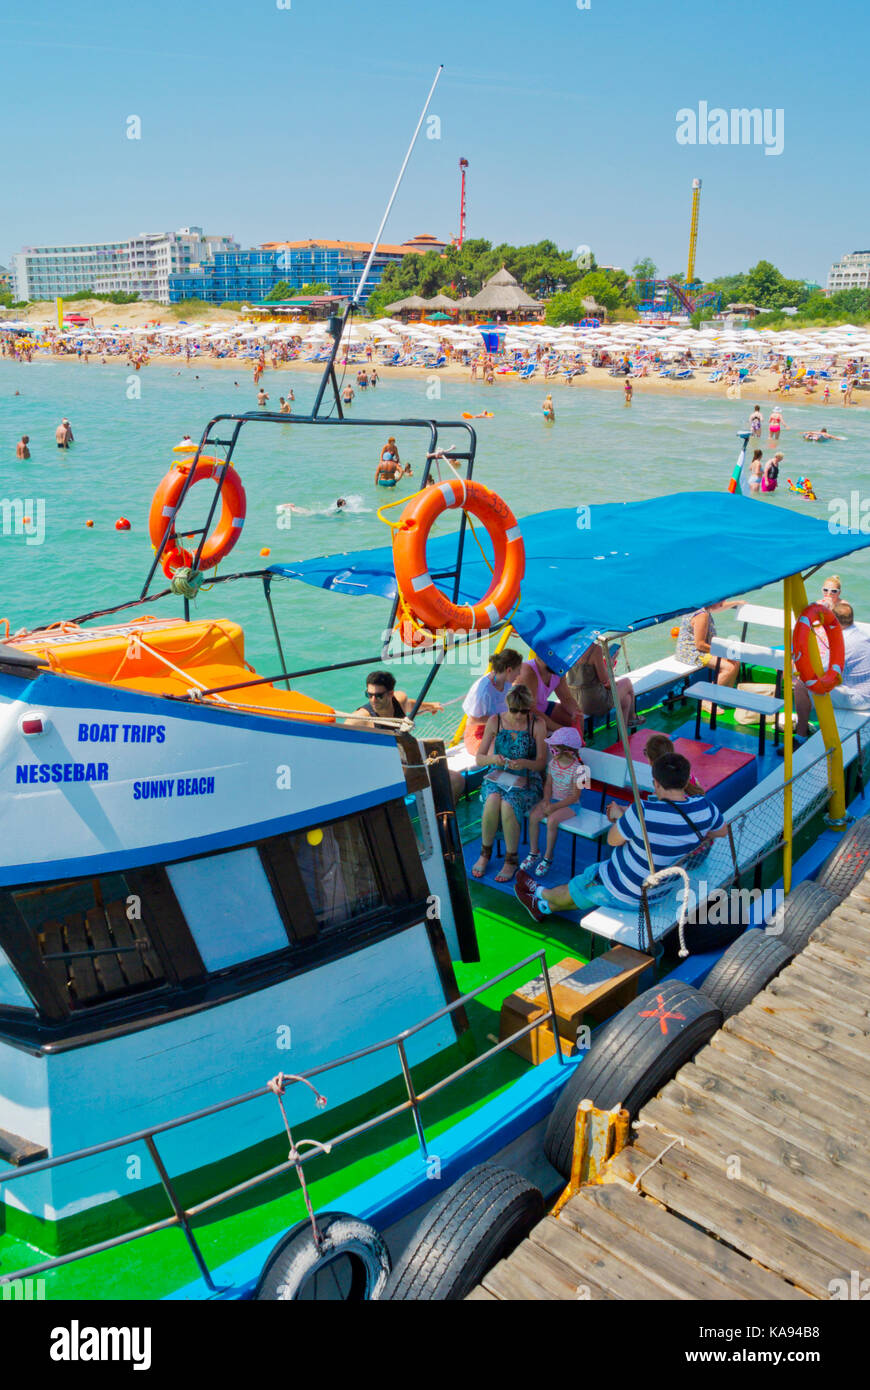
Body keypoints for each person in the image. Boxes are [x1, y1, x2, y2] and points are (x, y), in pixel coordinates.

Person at [514, 752, 727, 922]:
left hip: (628, 889)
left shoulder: (642, 811)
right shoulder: (703, 807)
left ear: (656, 783)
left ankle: (541, 894)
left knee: (583, 885)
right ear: (684, 781)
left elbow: (613, 840)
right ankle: (542, 906)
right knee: (585, 888)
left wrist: (618, 816)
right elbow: (721, 831)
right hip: (661, 890)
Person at [473, 685, 547, 883]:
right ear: (508, 706)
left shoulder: (537, 724)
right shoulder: (495, 721)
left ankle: (511, 859)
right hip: (499, 775)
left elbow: (541, 762)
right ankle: (485, 852)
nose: (519, 715)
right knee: (492, 800)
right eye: (515, 710)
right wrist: (494, 760)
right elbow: (479, 758)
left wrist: (525, 763)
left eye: (524, 711)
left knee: (508, 804)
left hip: (527, 780)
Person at [793, 601, 870, 738]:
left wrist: (795, 671)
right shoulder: (860, 635)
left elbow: (819, 672)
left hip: (859, 698)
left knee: (801, 685)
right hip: (863, 691)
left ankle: (801, 734)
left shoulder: (843, 642)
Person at [521, 727, 590, 878]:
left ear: (567, 751)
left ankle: (548, 857)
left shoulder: (580, 770)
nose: (551, 752)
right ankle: (534, 852)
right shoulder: (552, 764)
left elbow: (574, 797)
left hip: (571, 805)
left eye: (554, 750)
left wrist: (553, 807)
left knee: (552, 821)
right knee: (533, 816)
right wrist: (546, 801)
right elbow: (548, 785)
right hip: (552, 800)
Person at [566, 640, 642, 732]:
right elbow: (605, 680)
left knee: (626, 699)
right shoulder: (595, 649)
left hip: (574, 701)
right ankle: (632, 717)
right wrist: (610, 661)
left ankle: (622, 738)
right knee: (627, 682)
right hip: (594, 702)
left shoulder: (567, 646)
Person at [461, 648, 524, 755]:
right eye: (518, 670)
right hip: (479, 734)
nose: (519, 674)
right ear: (509, 670)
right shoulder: (484, 690)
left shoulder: (506, 682)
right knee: (508, 751)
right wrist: (503, 721)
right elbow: (474, 720)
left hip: (499, 729)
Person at [347, 670, 443, 730]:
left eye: (379, 696)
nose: (373, 700)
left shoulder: (400, 700)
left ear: (391, 694)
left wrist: (430, 706)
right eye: (369, 695)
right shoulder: (359, 719)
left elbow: (410, 704)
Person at [675, 602, 740, 688]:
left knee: (735, 660)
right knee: (728, 668)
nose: (723, 602)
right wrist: (722, 652)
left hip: (700, 649)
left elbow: (719, 607)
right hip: (692, 653)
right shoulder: (702, 615)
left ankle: (727, 694)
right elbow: (700, 645)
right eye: (721, 600)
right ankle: (708, 700)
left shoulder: (699, 606)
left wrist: (737, 603)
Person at [517, 655, 583, 733]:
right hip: (523, 713)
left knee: (576, 722)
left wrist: (575, 713)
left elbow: (566, 698)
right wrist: (559, 729)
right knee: (547, 732)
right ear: (539, 656)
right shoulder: (528, 673)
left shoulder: (557, 668)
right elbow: (530, 710)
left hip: (543, 707)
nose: (556, 662)